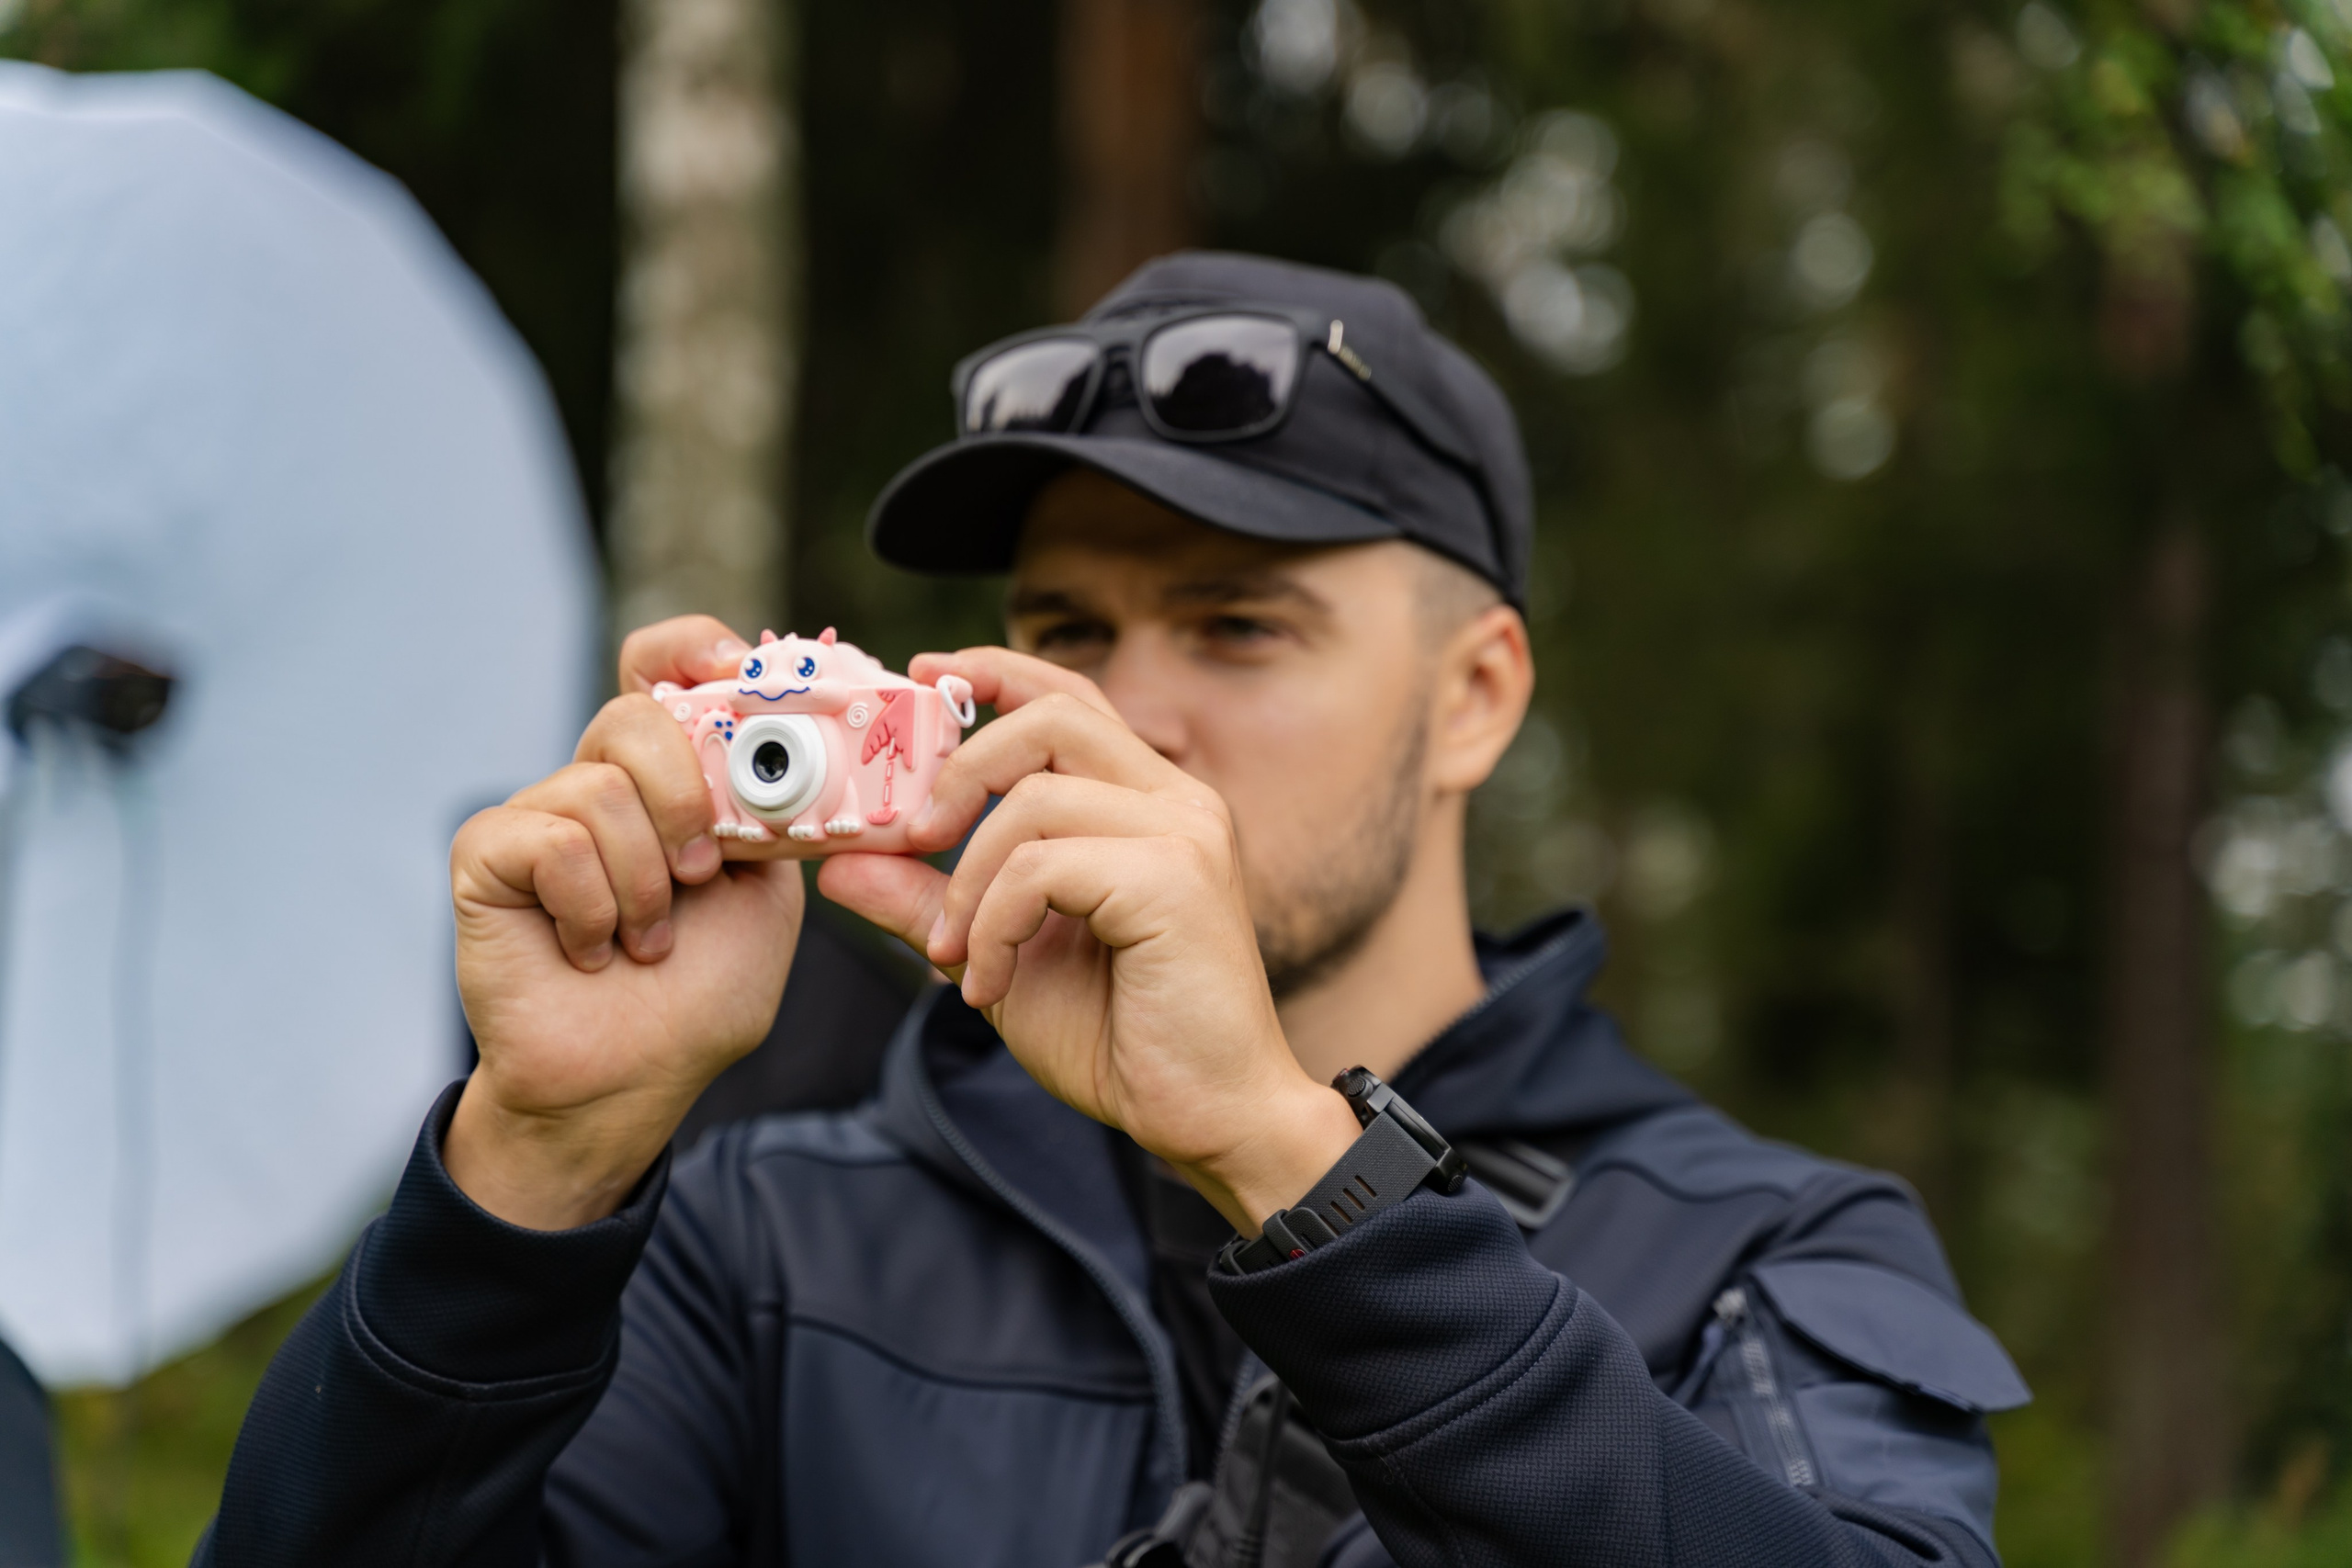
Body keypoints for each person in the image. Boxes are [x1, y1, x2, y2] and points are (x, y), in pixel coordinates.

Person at [196, 254, 2028, 1568]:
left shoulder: (1760, 1251)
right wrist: (533, 1161)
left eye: (1240, 625)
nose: (1127, 712)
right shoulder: (761, 1240)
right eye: (1065, 628)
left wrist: (1288, 1163)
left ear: (1473, 694)